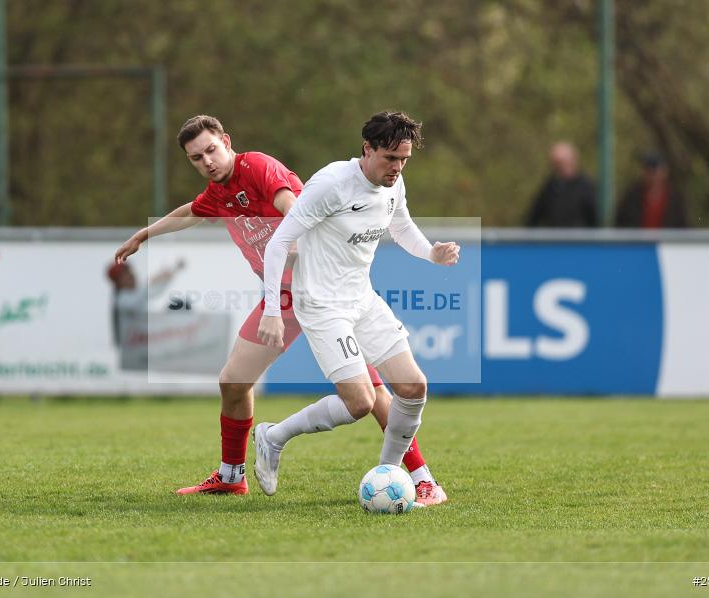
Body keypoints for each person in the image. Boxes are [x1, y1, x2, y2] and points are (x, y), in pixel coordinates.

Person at [115, 115, 446, 504]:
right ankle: (231, 475)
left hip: (315, 291)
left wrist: (295, 240)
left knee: (372, 396)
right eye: (196, 157)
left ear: (227, 141)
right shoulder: (218, 193)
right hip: (287, 298)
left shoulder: (257, 166)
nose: (206, 161)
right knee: (234, 382)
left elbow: (293, 203)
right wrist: (144, 234)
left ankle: (420, 477)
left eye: (211, 150)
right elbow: (190, 212)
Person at [255, 111, 459, 501]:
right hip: (321, 305)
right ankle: (274, 436)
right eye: (390, 159)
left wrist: (432, 253)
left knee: (413, 387)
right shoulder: (331, 185)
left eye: (404, 160)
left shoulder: (392, 184)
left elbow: (400, 227)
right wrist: (270, 310)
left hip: (362, 300)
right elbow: (279, 242)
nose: (397, 168)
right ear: (367, 149)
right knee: (361, 403)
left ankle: (389, 478)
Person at [525, 142, 597, 227]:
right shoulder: (550, 187)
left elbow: (595, 218)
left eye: (564, 162)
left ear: (574, 160)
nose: (561, 167)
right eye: (557, 164)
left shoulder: (587, 186)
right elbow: (533, 216)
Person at [615, 152, 688, 228]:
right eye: (647, 170)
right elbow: (620, 224)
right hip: (638, 239)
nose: (651, 175)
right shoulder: (632, 197)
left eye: (654, 170)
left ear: (664, 171)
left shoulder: (675, 199)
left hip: (665, 240)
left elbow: (682, 227)